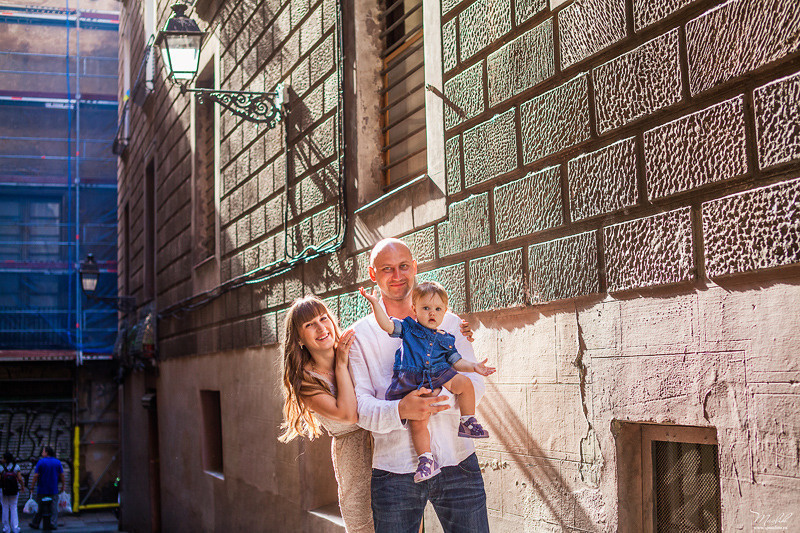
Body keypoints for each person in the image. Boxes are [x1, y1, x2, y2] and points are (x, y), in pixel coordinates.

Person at [349, 238, 491, 532]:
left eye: (403, 266)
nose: (397, 276)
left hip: (458, 462)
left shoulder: (449, 322)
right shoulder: (359, 336)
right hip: (394, 472)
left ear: (415, 268)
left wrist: (437, 401)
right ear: (373, 274)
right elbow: (360, 407)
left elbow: (476, 381)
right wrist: (402, 409)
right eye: (387, 269)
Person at [360, 281, 495, 482]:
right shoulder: (408, 327)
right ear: (414, 310)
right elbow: (386, 324)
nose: (432, 313)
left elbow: (456, 361)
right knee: (418, 420)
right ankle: (426, 460)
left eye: (438, 309)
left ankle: (467, 421)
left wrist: (474, 367)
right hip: (413, 380)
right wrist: (374, 303)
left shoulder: (446, 337)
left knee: (465, 384)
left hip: (439, 374)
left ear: (444, 312)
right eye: (426, 308)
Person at [278, 295, 374, 533]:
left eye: (323, 318)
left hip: (390, 449)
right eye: (310, 324)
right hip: (355, 465)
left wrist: (452, 330)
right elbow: (349, 415)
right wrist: (341, 364)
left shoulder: (356, 347)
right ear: (299, 338)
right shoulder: (306, 382)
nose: (321, 327)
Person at [29, 446, 64, 531]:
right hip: (53, 489)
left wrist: (32, 487)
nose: (42, 453)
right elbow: (62, 475)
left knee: (40, 507)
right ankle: (53, 524)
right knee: (53, 508)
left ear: (47, 452)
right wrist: (63, 485)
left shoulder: (41, 462)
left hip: (42, 489)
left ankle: (35, 523)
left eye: (43, 451)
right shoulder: (57, 462)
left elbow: (36, 476)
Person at [1, 452, 24, 533]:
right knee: (14, 508)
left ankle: (6, 529)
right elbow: (20, 478)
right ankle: (15, 528)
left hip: (3, 490)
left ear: (6, 459)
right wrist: (22, 486)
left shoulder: (1, 467)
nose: (2, 459)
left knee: (5, 508)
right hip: (14, 490)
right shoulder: (16, 466)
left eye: (3, 458)